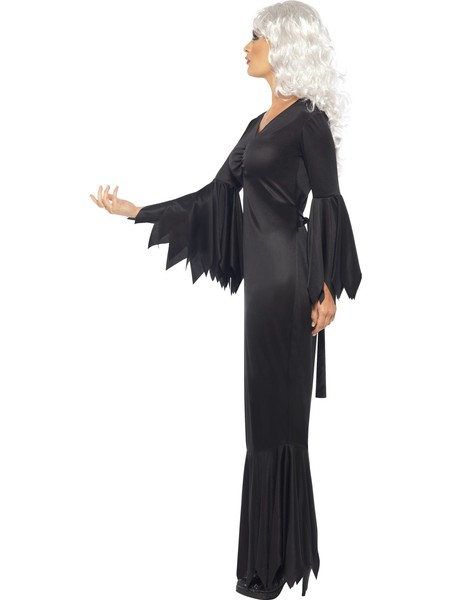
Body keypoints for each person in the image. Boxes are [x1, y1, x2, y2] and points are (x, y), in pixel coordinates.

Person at [90, 1, 362, 597]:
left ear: (285, 45)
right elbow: (214, 197)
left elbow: (328, 204)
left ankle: (276, 564)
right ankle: (266, 561)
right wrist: (138, 211)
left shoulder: (309, 121)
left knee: (279, 418)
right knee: (260, 418)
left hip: (290, 281)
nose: (247, 46)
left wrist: (326, 287)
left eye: (256, 37)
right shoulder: (256, 126)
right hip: (262, 286)